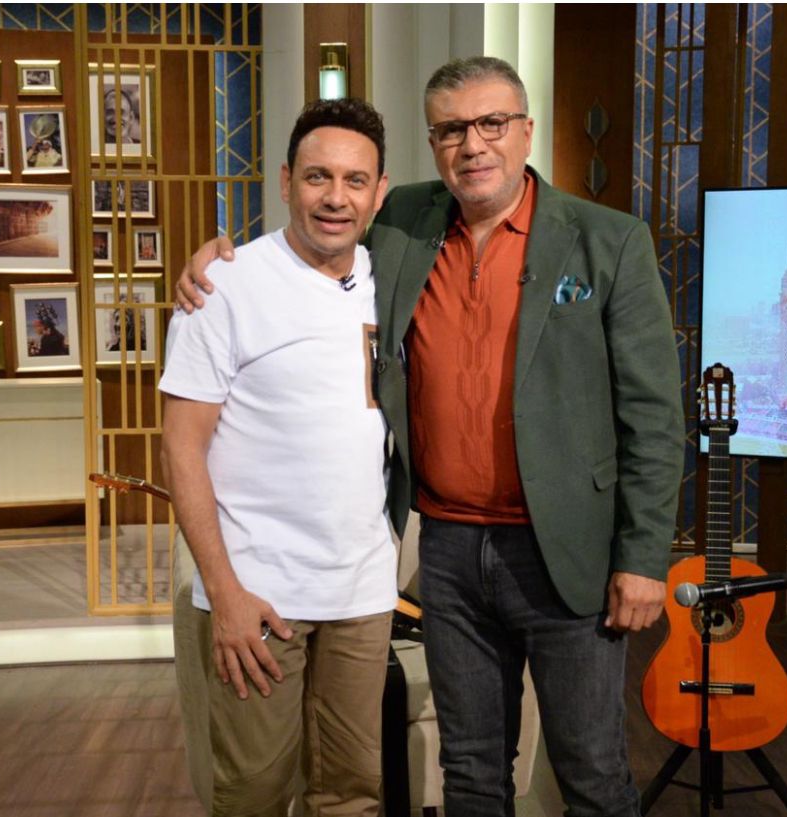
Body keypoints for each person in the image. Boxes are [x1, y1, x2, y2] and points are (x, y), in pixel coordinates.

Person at [176, 56, 684, 816]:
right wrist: (217, 260)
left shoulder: (607, 240)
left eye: (492, 124)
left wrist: (642, 558)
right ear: (432, 144)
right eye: (451, 130)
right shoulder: (405, 222)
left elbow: (654, 416)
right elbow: (315, 225)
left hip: (565, 552)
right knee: (470, 771)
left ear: (526, 131)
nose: (472, 145)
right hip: (447, 552)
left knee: (593, 773)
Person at [160, 97, 394, 817]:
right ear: (287, 180)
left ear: (380, 192)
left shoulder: (393, 277)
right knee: (254, 793)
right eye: (318, 176)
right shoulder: (225, 286)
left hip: (361, 590)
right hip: (258, 593)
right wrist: (224, 591)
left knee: (353, 792)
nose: (336, 197)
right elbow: (182, 446)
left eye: (356, 180)